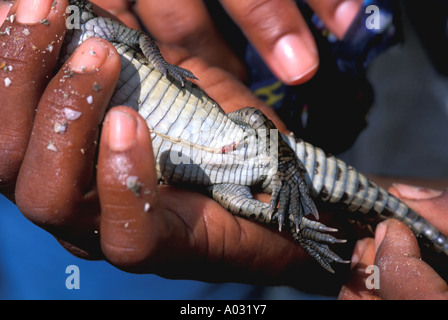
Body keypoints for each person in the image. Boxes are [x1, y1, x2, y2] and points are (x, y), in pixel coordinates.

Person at [0, 0, 446, 299]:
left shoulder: (86, 23)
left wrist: (162, 68)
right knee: (243, 205)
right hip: (212, 180)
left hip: (240, 138)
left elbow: (136, 40)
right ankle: (307, 228)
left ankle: (297, 191)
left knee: (254, 132)